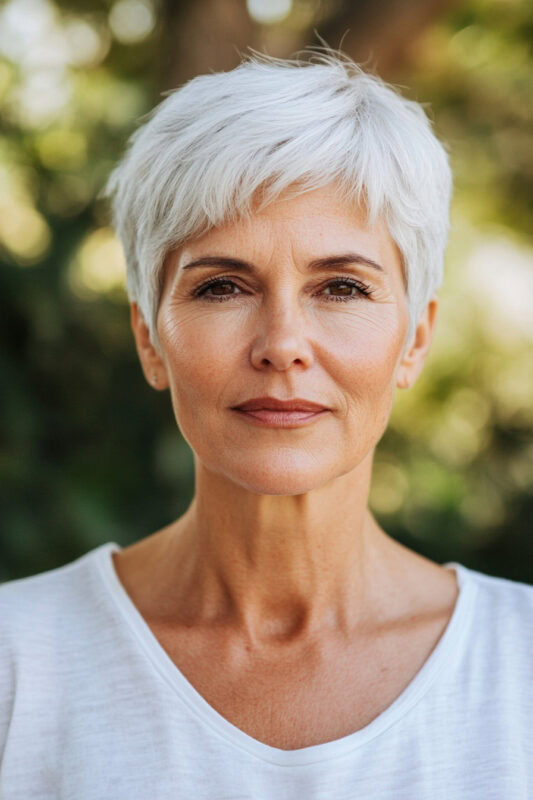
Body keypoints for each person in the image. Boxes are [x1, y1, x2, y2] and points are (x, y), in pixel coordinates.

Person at [0, 49, 531, 799]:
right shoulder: (16, 667)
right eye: (221, 286)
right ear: (150, 338)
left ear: (414, 338)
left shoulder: (521, 671)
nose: (281, 343)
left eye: (340, 287)